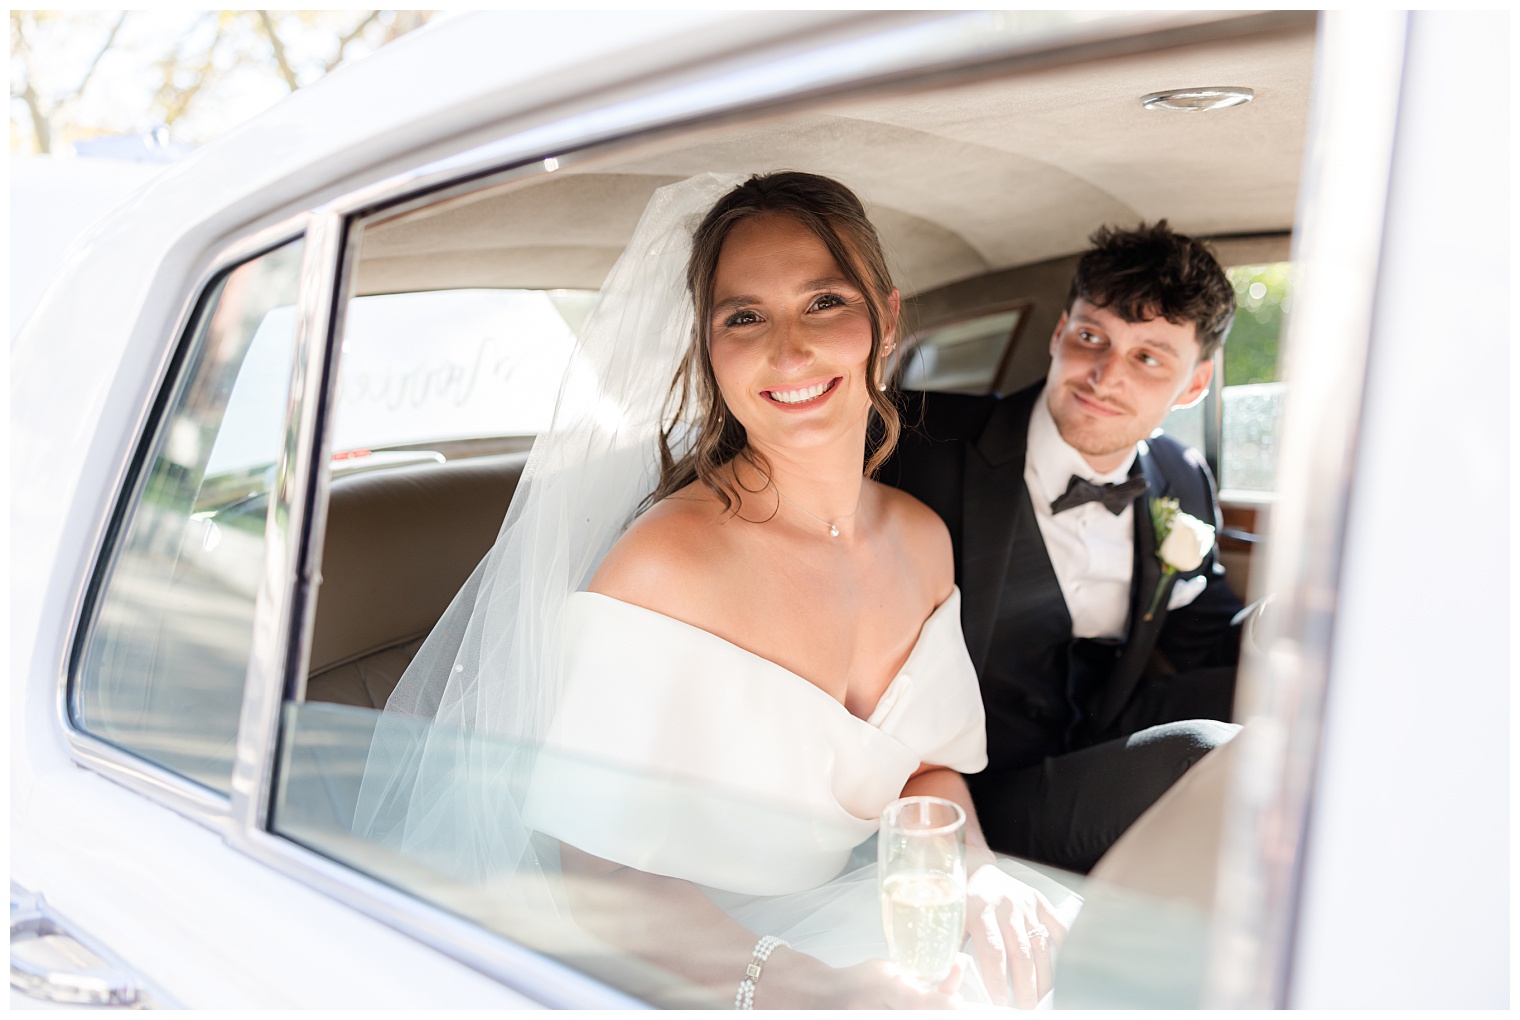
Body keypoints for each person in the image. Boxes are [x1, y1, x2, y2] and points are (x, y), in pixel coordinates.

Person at [357, 172, 1080, 1009]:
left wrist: (975, 874)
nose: (789, 350)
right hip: (686, 960)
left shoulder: (923, 538)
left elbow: (922, 768)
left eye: (823, 303)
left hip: (850, 908)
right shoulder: (662, 566)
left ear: (884, 322)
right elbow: (602, 872)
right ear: (710, 350)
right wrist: (813, 992)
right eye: (745, 317)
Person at [883, 221, 1244, 875]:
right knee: (1207, 750)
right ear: (1059, 334)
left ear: (1194, 385)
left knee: (1296, 688)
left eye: (1149, 357)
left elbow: (1211, 641)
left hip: (1102, 751)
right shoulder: (921, 442)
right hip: (969, 781)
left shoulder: (1181, 476)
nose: (1104, 375)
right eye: (1090, 337)